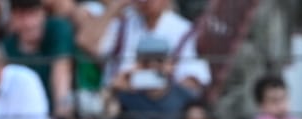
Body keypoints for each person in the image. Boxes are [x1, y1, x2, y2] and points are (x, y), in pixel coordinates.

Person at [76, 0, 209, 93]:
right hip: (122, 105)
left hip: (164, 110)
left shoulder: (183, 30)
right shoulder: (124, 25)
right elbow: (85, 42)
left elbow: (194, 82)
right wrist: (116, 6)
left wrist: (162, 80)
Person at [2, 0, 74, 113]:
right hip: (25, 116)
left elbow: (62, 71)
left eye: (33, 14)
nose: (29, 23)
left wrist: (62, 115)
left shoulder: (58, 29)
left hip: (56, 114)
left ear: (43, 13)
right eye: (21, 16)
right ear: (12, 19)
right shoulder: (5, 48)